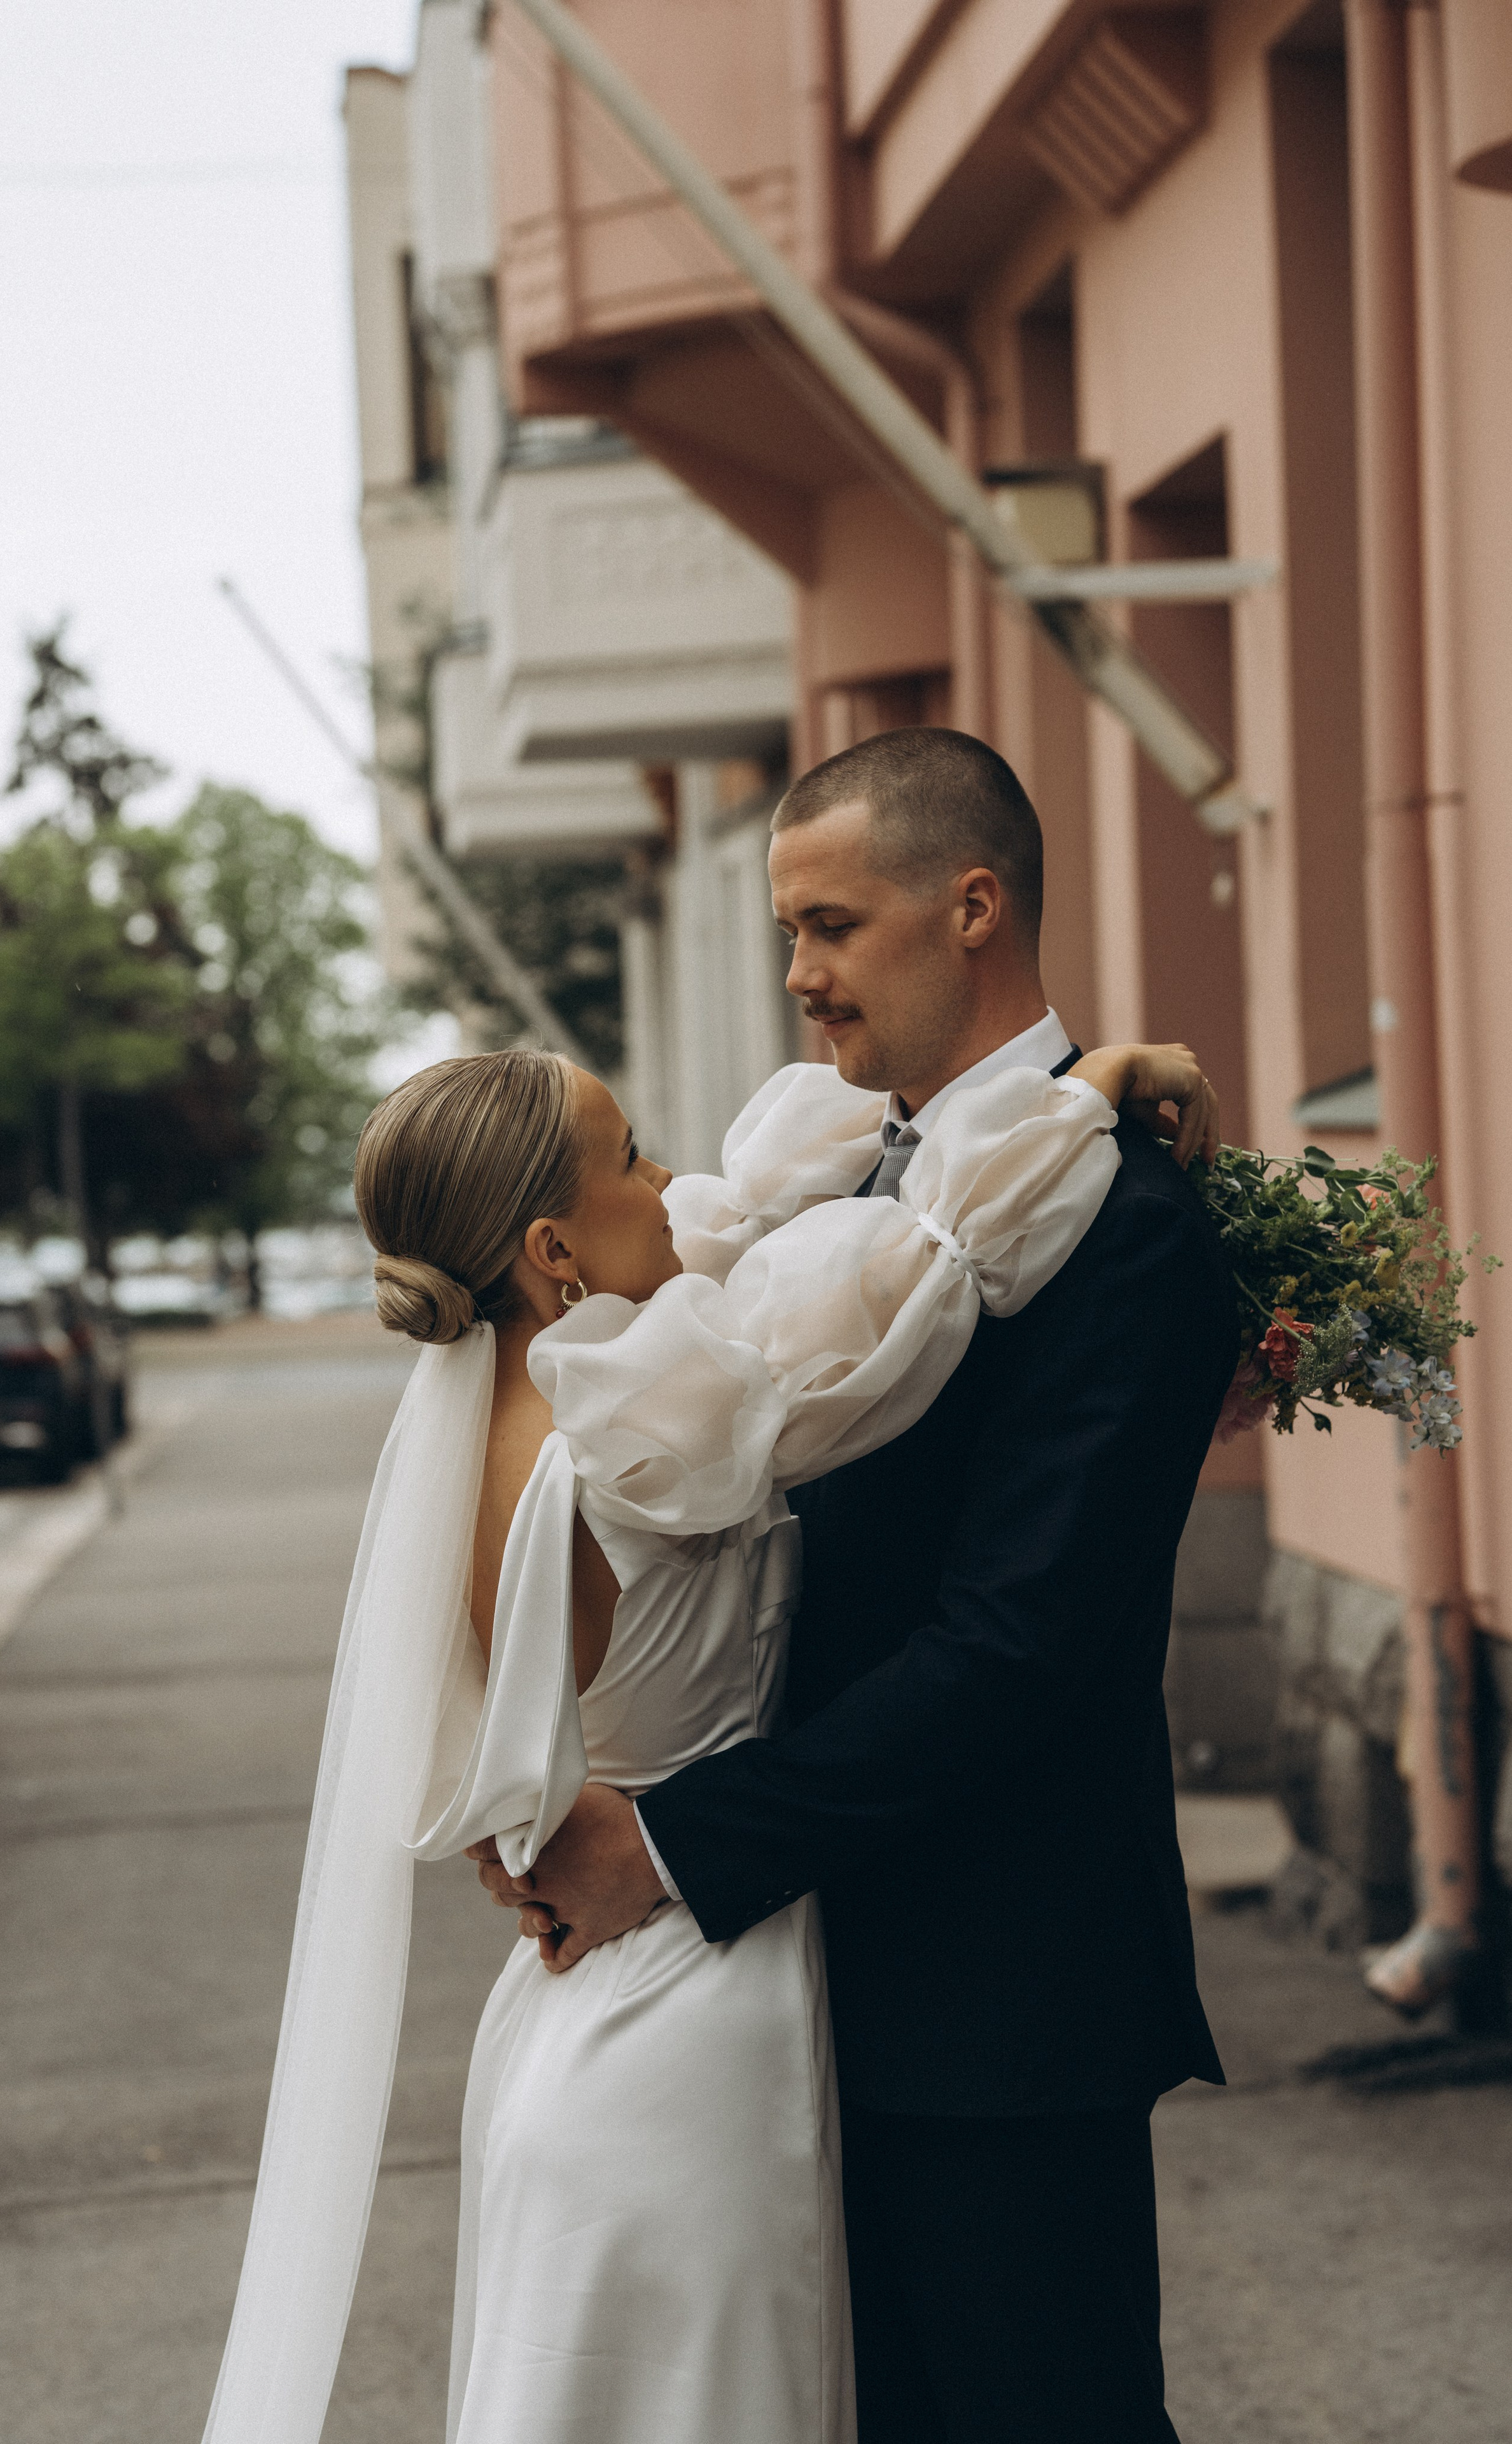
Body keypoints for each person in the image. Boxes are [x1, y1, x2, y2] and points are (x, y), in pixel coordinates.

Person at [197, 859, 1218, 2438]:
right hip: (694, 2009)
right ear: (552, 1252)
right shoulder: (646, 1426)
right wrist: (1075, 1098)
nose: (678, 1183)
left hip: (581, 2014)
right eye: (631, 1158)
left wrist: (544, 1831)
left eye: (826, 924)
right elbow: (917, 1279)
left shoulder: (498, 1430)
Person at [473, 729, 1240, 2444]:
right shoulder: (845, 1172)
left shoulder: (1125, 1227)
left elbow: (1017, 1646)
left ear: (971, 908)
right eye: (789, 934)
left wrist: (669, 1846)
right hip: (791, 1990)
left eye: (832, 926)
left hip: (991, 2004)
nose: (801, 977)